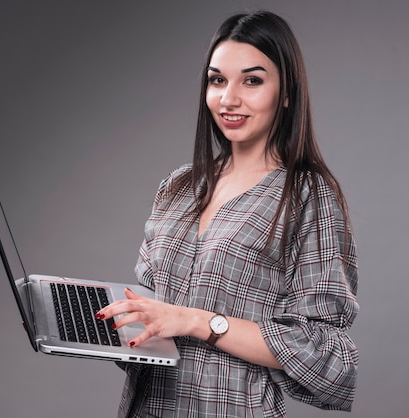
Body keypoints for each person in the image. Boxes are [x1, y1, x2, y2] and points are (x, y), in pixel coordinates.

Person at [96, 11, 359, 418]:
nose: (228, 98)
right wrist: (94, 319)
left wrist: (198, 322)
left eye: (252, 81)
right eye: (217, 80)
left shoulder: (308, 196)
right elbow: (152, 321)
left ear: (286, 93)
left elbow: (328, 359)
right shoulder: (179, 186)